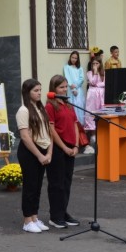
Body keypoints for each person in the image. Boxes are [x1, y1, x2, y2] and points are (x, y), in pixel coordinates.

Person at [15, 79, 53, 233]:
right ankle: (27, 220)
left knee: (37, 185)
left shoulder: (40, 108)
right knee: (30, 185)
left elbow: (48, 132)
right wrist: (39, 155)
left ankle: (35, 217)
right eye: (35, 91)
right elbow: (25, 136)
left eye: (40, 90)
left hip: (43, 149)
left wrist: (49, 152)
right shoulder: (23, 110)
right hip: (30, 152)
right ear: (27, 92)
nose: (39, 93)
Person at [45, 75, 80, 229]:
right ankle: (55, 215)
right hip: (58, 148)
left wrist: (76, 146)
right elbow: (51, 129)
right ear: (54, 89)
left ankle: (63, 211)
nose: (65, 90)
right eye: (61, 87)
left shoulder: (68, 105)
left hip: (71, 147)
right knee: (57, 183)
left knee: (66, 183)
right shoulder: (50, 106)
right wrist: (64, 147)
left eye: (66, 87)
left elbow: (75, 125)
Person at [84, 49, 106, 146]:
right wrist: (95, 72)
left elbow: (104, 83)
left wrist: (99, 84)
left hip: (101, 94)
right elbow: (93, 82)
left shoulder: (104, 73)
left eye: (97, 63)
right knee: (91, 112)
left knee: (101, 112)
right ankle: (92, 134)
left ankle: (101, 132)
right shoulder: (89, 73)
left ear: (100, 64)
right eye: (94, 63)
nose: (95, 65)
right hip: (92, 95)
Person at [62, 51, 85, 126]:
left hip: (78, 89)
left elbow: (82, 79)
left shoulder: (80, 68)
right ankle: (73, 124)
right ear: (70, 57)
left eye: (76, 58)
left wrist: (76, 86)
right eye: (72, 57)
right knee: (72, 105)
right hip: (70, 89)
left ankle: (80, 124)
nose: (74, 59)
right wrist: (72, 88)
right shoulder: (66, 67)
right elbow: (67, 77)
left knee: (79, 105)